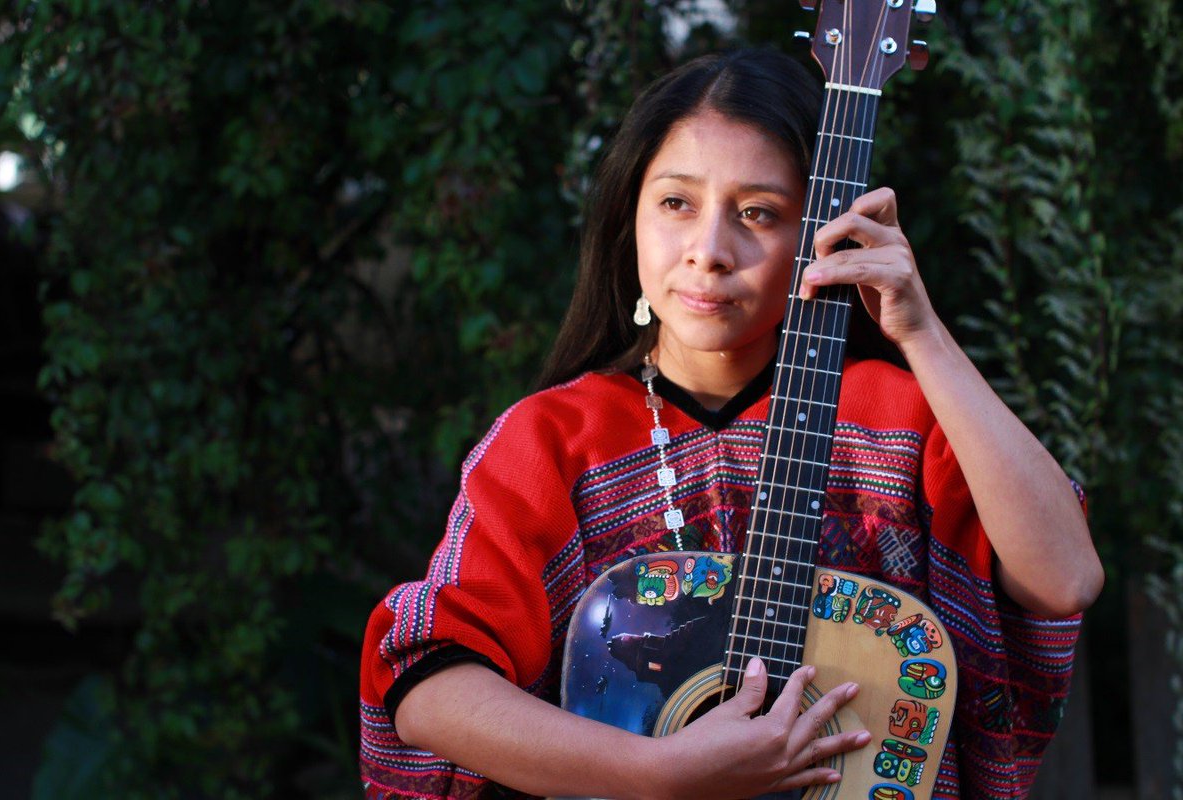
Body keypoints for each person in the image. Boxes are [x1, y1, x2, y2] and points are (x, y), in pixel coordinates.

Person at [358, 48, 1104, 799]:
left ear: (823, 234)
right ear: (628, 218)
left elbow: (1066, 579)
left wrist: (922, 334)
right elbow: (428, 690)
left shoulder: (904, 415)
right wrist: (661, 773)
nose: (710, 252)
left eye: (759, 213)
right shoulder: (551, 440)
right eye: (676, 203)